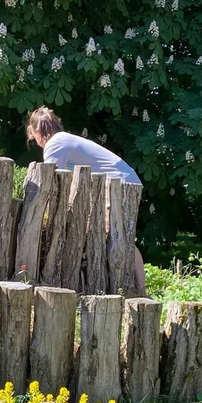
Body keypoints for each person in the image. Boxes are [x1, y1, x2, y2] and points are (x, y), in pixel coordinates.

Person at [25, 106, 146, 291]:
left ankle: (137, 290)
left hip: (117, 184)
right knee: (120, 235)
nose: (38, 144)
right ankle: (135, 288)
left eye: (35, 139)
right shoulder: (64, 139)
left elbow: (51, 182)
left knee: (116, 236)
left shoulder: (54, 145)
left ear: (38, 131)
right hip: (121, 181)